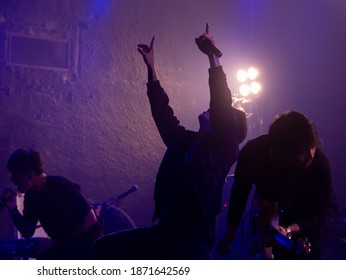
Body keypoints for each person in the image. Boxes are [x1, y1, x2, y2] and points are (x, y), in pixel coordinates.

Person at [95, 24, 247, 259]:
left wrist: (212, 55)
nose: (210, 110)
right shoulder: (185, 141)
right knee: (104, 248)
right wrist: (151, 70)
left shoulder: (223, 150)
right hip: (165, 232)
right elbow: (162, 114)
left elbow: (221, 103)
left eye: (216, 113)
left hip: (192, 241)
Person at [216, 111, 339, 259]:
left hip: (313, 212)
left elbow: (317, 215)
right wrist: (230, 232)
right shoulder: (252, 152)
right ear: (274, 150)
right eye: (293, 166)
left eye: (311, 151)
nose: (309, 158)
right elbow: (240, 193)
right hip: (277, 206)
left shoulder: (319, 164)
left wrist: (289, 230)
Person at [0, 148, 103, 259]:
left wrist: (63, 242)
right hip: (66, 247)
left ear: (29, 175)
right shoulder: (31, 197)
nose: (12, 180)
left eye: (16, 175)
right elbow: (27, 232)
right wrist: (13, 209)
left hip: (87, 246)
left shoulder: (61, 185)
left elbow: (90, 219)